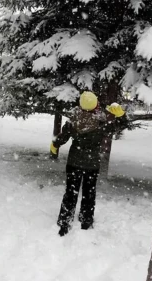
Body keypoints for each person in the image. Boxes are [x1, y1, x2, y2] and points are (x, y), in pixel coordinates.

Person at [50, 91, 127, 237]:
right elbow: (117, 127)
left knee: (70, 193)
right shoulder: (102, 121)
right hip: (92, 165)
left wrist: (54, 145)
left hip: (74, 162)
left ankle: (64, 221)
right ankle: (86, 221)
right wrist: (120, 116)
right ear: (95, 104)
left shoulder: (73, 120)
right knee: (89, 193)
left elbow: (62, 137)